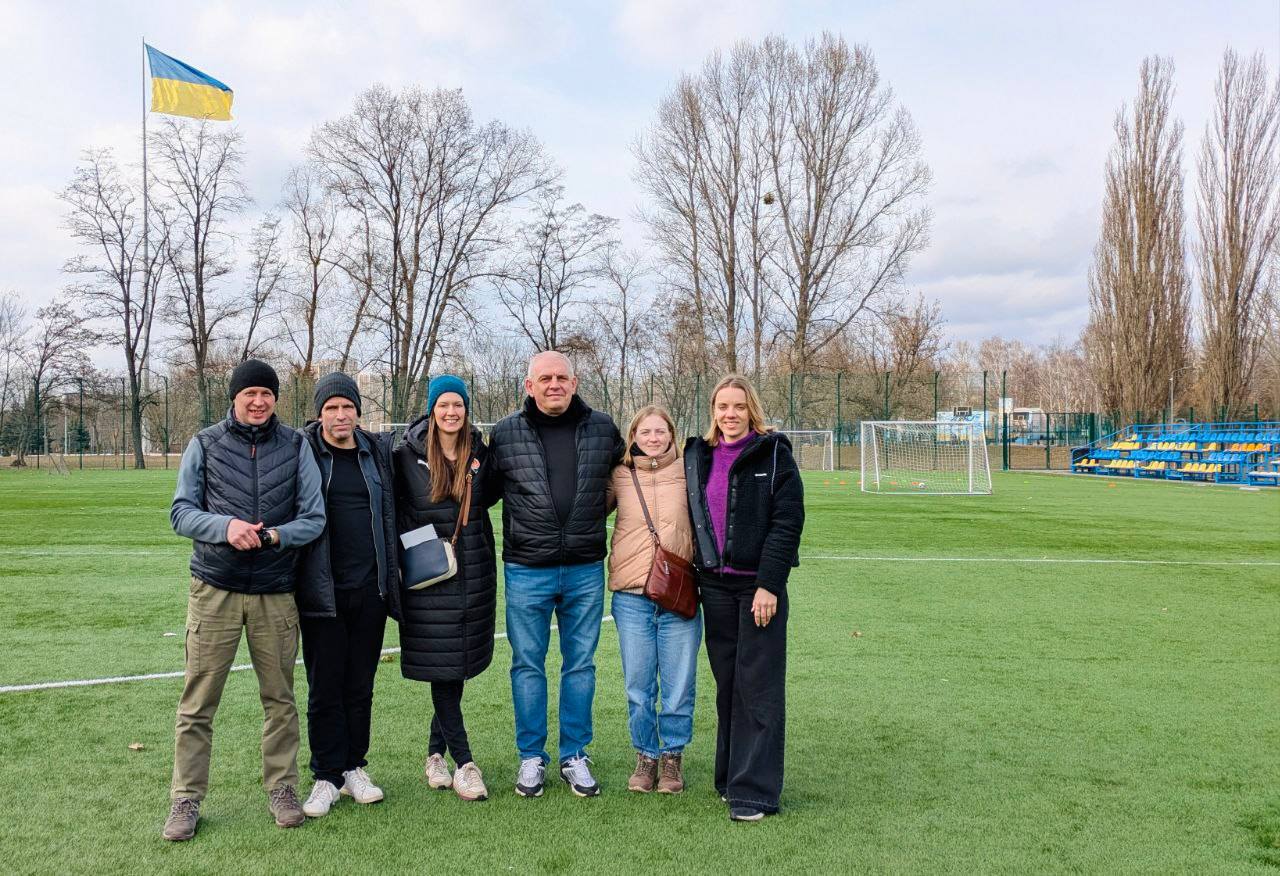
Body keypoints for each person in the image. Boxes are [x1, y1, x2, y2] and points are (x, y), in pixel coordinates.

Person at [164, 359, 326, 841]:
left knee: (280, 700)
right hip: (214, 589)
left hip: (276, 594)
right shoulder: (205, 443)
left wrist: (275, 536)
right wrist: (226, 527)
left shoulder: (297, 445)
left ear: (277, 399)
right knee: (198, 703)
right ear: (234, 397)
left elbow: (313, 518)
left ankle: (282, 789)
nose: (258, 401)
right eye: (250, 393)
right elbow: (180, 512)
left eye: (267, 394)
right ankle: (185, 799)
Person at [487, 351, 624, 798]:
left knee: (580, 665)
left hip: (585, 567)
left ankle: (574, 755)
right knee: (527, 665)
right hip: (527, 569)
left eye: (561, 378)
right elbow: (479, 492)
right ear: (528, 385)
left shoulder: (603, 428)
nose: (553, 385)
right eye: (544, 378)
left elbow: (633, 476)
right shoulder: (505, 434)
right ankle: (531, 757)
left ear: (575, 381)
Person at [683, 374, 804, 822]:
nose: (729, 414)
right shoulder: (699, 455)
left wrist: (769, 584)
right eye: (721, 407)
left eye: (737, 406)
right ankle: (730, 776)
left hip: (759, 590)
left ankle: (755, 794)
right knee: (729, 685)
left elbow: (787, 522)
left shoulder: (774, 454)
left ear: (750, 409)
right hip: (713, 588)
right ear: (712, 410)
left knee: (759, 688)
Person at [296, 373, 401, 818]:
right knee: (325, 687)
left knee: (360, 685)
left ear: (358, 411)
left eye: (348, 407)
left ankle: (355, 767)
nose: (341, 415)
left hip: (371, 589)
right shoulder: (303, 451)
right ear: (319, 412)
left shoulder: (375, 450)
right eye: (332, 408)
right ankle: (326, 774)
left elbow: (421, 432)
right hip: (322, 592)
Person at [393, 375, 499, 802]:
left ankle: (434, 754)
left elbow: (491, 499)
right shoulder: (405, 454)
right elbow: (395, 514)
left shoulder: (481, 454)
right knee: (443, 668)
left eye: (458, 405)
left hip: (474, 570)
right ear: (432, 409)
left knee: (456, 667)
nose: (451, 412)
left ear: (466, 409)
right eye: (443, 405)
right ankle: (465, 763)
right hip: (429, 577)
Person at [607, 405, 700, 794]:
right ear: (633, 437)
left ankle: (672, 757)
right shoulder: (619, 475)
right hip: (631, 594)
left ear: (672, 434)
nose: (653, 438)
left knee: (679, 683)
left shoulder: (689, 471)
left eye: (660, 431)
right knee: (638, 684)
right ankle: (645, 756)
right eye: (645, 432)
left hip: (679, 591)